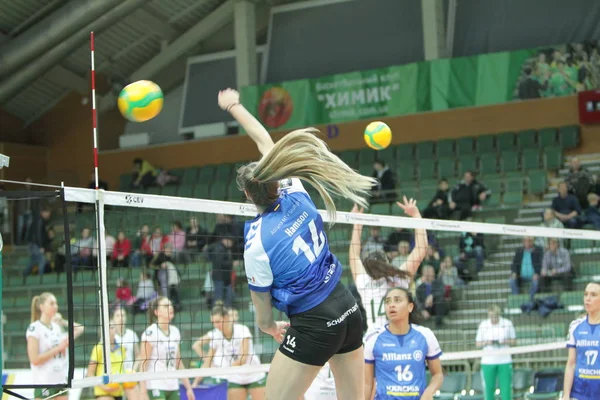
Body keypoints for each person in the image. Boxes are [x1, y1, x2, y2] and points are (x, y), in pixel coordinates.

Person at [219, 88, 375, 400]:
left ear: (248, 195)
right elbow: (265, 140)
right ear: (277, 179)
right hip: (347, 306)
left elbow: (261, 307)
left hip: (314, 322)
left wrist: (267, 326)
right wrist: (234, 105)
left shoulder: (257, 241)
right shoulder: (295, 189)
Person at [349, 201, 427, 333]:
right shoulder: (399, 279)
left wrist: (357, 224)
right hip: (396, 336)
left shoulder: (364, 283)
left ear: (367, 269)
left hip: (373, 340)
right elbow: (421, 249)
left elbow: (353, 255)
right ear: (387, 262)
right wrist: (416, 215)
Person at [364, 287, 444, 400]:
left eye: (397, 300)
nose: (391, 305)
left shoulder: (425, 335)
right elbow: (367, 384)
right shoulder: (373, 339)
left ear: (410, 307)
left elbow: (438, 375)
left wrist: (429, 392)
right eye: (388, 301)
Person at [193, 304, 266, 399]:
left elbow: (243, 359)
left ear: (226, 318)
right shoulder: (216, 335)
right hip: (235, 377)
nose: (215, 325)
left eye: (218, 321)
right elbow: (207, 362)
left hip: (253, 373)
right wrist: (195, 383)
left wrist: (225, 368)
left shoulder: (242, 330)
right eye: (213, 322)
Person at [26, 292, 84, 400]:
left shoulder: (56, 328)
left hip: (61, 381)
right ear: (41, 307)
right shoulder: (34, 328)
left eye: (56, 303)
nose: (55, 306)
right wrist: (58, 348)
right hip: (44, 383)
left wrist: (62, 321)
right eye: (52, 303)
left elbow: (80, 328)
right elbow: (34, 359)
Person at [139, 297, 195, 400]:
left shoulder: (175, 331)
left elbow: (178, 362)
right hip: (155, 384)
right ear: (156, 312)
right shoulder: (150, 333)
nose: (170, 308)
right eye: (165, 306)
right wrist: (143, 392)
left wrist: (188, 388)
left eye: (170, 305)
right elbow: (143, 363)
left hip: (173, 385)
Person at [563, 281, 600, 400]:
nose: (587, 299)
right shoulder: (575, 326)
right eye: (586, 294)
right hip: (580, 392)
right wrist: (566, 395)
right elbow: (571, 363)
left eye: (593, 295)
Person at [475, 305, 517, 400]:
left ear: (498, 315)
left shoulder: (507, 323)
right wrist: (487, 342)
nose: (493, 319)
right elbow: (477, 344)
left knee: (506, 390)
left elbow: (514, 341)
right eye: (491, 316)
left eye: (495, 316)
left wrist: (505, 341)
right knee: (489, 390)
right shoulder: (483, 325)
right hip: (488, 361)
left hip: (504, 360)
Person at [87, 323, 126, 400]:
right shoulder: (98, 348)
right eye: (107, 328)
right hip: (103, 392)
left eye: (112, 327)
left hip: (118, 391)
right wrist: (103, 387)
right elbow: (90, 373)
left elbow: (123, 370)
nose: (110, 330)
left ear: (116, 330)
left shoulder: (122, 348)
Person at [113, 307, 141, 400]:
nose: (121, 318)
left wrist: (133, 370)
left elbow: (139, 355)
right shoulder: (109, 337)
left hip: (129, 375)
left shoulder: (131, 334)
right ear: (113, 318)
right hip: (115, 375)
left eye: (123, 315)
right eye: (117, 316)